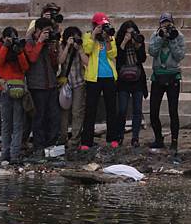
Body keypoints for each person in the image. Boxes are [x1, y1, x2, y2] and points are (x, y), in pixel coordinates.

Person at [80, 12, 118, 150]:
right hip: (94, 77)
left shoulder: (110, 37)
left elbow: (113, 54)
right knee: (91, 110)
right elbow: (87, 50)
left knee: (111, 109)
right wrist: (94, 35)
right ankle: (86, 141)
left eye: (105, 25)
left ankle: (112, 138)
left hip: (108, 76)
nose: (103, 28)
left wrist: (108, 39)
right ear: (95, 25)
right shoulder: (88, 35)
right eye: (100, 26)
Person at [148, 12, 185, 151]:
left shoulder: (179, 36)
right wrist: (160, 38)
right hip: (158, 76)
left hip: (172, 75)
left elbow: (180, 56)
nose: (166, 25)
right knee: (153, 111)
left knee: (173, 111)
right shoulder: (155, 35)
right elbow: (152, 52)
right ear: (160, 24)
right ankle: (158, 138)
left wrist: (172, 40)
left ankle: (174, 141)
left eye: (168, 22)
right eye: (163, 23)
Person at [0, 27, 30, 164]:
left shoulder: (19, 47)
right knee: (7, 123)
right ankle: (5, 152)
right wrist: (5, 47)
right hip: (5, 89)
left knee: (17, 123)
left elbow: (25, 67)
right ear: (3, 38)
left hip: (18, 90)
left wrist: (19, 52)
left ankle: (14, 154)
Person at [24, 17, 61, 153]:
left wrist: (53, 48)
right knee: (38, 117)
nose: (48, 34)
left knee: (54, 116)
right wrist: (40, 42)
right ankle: (39, 146)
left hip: (50, 84)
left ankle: (52, 144)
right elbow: (32, 58)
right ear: (38, 30)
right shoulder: (29, 42)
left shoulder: (49, 43)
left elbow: (54, 65)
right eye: (46, 31)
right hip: (37, 86)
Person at [115, 21, 147, 148]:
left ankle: (135, 137)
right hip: (123, 80)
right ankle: (120, 136)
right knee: (122, 109)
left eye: (132, 32)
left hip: (137, 79)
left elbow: (143, 59)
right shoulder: (119, 41)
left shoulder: (138, 41)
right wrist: (123, 42)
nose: (130, 34)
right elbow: (119, 59)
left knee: (137, 109)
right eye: (128, 32)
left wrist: (137, 45)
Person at [57, 26, 89, 150]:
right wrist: (67, 47)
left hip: (79, 82)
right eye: (73, 38)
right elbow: (60, 60)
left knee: (77, 112)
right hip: (66, 83)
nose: (76, 40)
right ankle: (63, 137)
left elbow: (87, 62)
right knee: (64, 112)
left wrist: (80, 50)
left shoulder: (81, 47)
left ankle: (75, 139)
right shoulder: (62, 46)